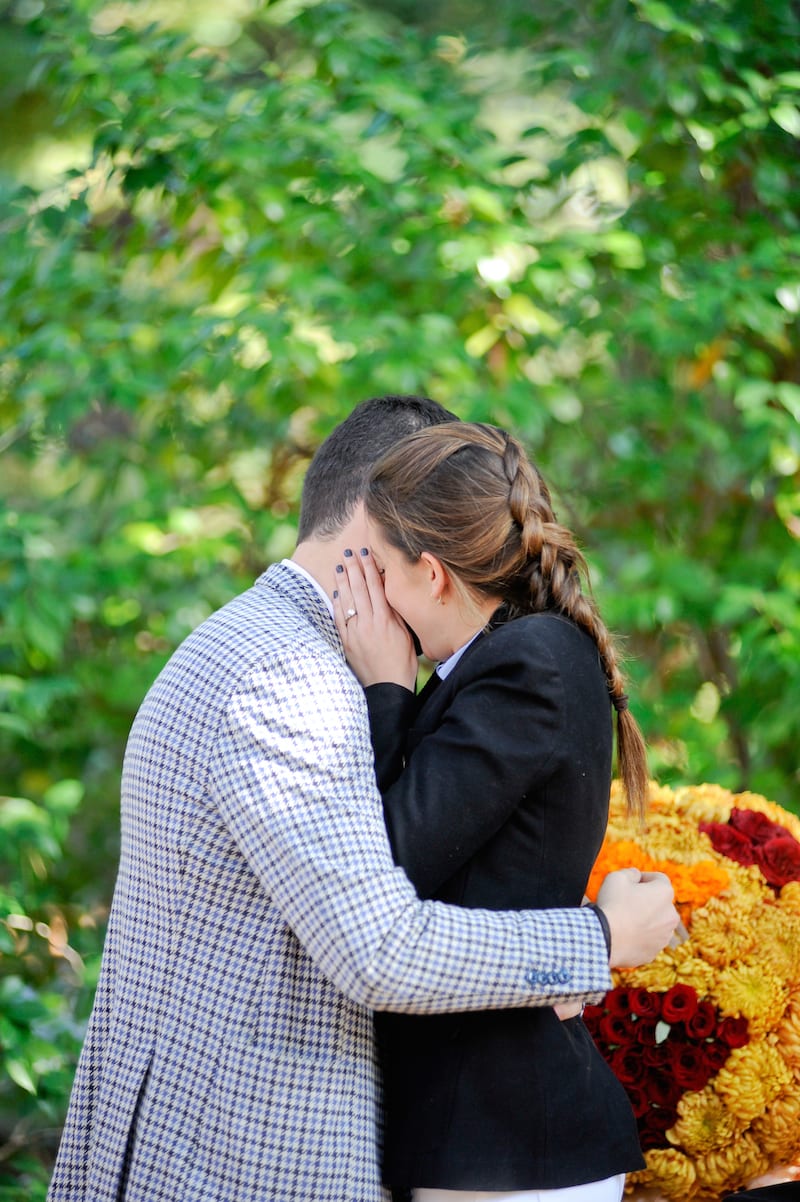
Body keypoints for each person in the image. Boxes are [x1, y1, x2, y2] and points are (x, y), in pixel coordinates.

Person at [48, 396, 678, 1202]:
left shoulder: (236, 641)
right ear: (386, 530)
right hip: (247, 1165)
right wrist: (593, 942)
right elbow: (378, 946)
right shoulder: (291, 678)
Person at [332, 421, 655, 1202]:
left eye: (376, 568)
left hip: (507, 1139)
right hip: (485, 1136)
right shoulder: (495, 666)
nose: (364, 593)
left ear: (433, 575)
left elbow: (388, 859)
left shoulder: (527, 662)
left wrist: (383, 689)